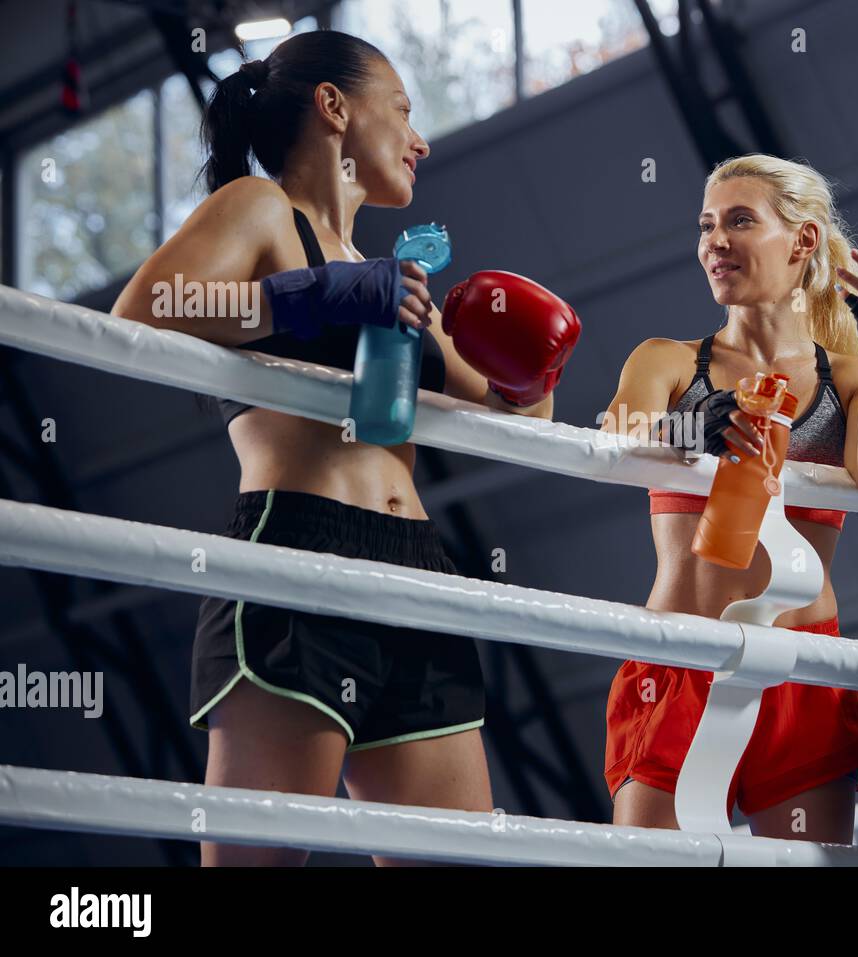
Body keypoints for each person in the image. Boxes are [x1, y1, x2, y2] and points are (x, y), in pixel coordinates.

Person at [111, 30, 579, 865]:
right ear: (334, 107)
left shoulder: (397, 283)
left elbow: (521, 418)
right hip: (296, 553)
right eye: (402, 109)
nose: (419, 138)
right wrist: (310, 294)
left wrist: (530, 359)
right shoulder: (259, 210)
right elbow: (140, 315)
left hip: (415, 572)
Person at [600, 153, 858, 843]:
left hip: (802, 669)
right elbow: (615, 433)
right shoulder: (670, 359)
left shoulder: (851, 376)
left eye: (740, 220)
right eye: (707, 225)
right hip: (680, 657)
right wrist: (686, 431)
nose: (715, 240)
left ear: (802, 242)